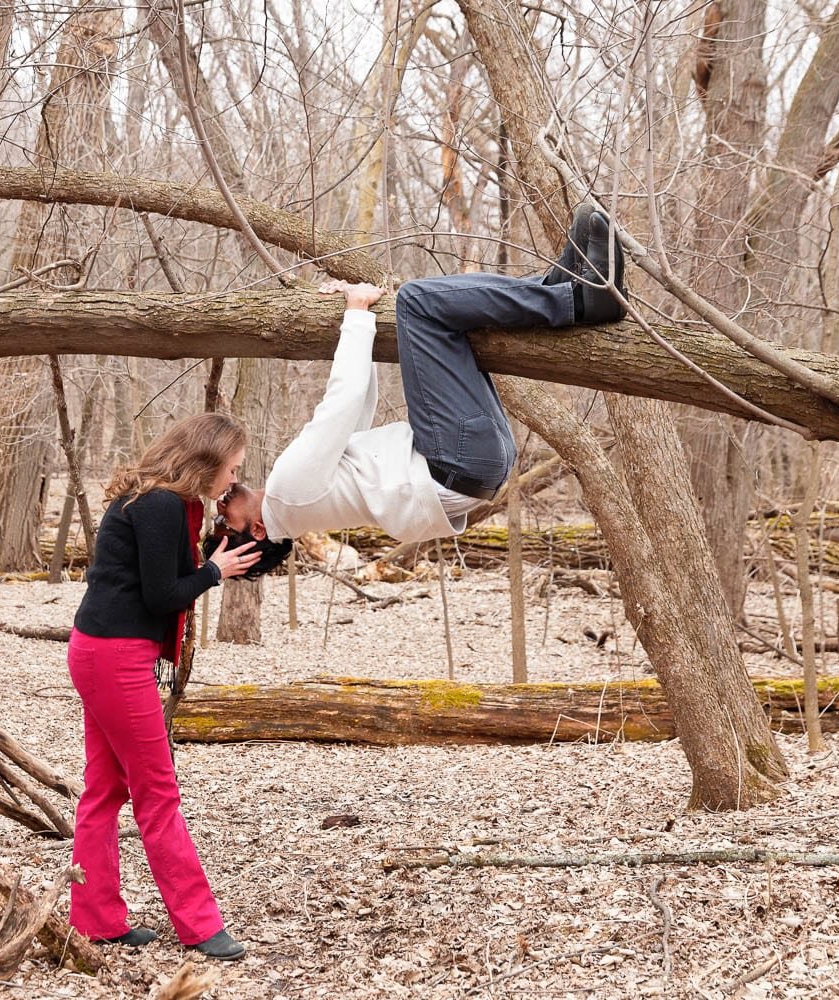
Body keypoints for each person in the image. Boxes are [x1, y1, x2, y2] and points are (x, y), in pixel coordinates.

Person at [215, 204, 626, 549]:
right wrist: (357, 314)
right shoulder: (287, 492)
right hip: (455, 460)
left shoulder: (298, 507)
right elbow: (341, 402)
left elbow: (354, 417)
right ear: (257, 530)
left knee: (445, 320)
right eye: (223, 526)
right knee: (416, 303)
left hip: (481, 467)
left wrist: (357, 321)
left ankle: (562, 287)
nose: (218, 510)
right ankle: (575, 299)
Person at [67, 412, 260, 961]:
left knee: (105, 791)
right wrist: (215, 571)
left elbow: (168, 572)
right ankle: (200, 925)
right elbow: (162, 594)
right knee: (157, 791)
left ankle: (96, 919)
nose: (233, 479)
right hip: (114, 656)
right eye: (231, 469)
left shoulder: (168, 502)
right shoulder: (156, 505)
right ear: (205, 461)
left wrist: (223, 532)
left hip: (104, 651)